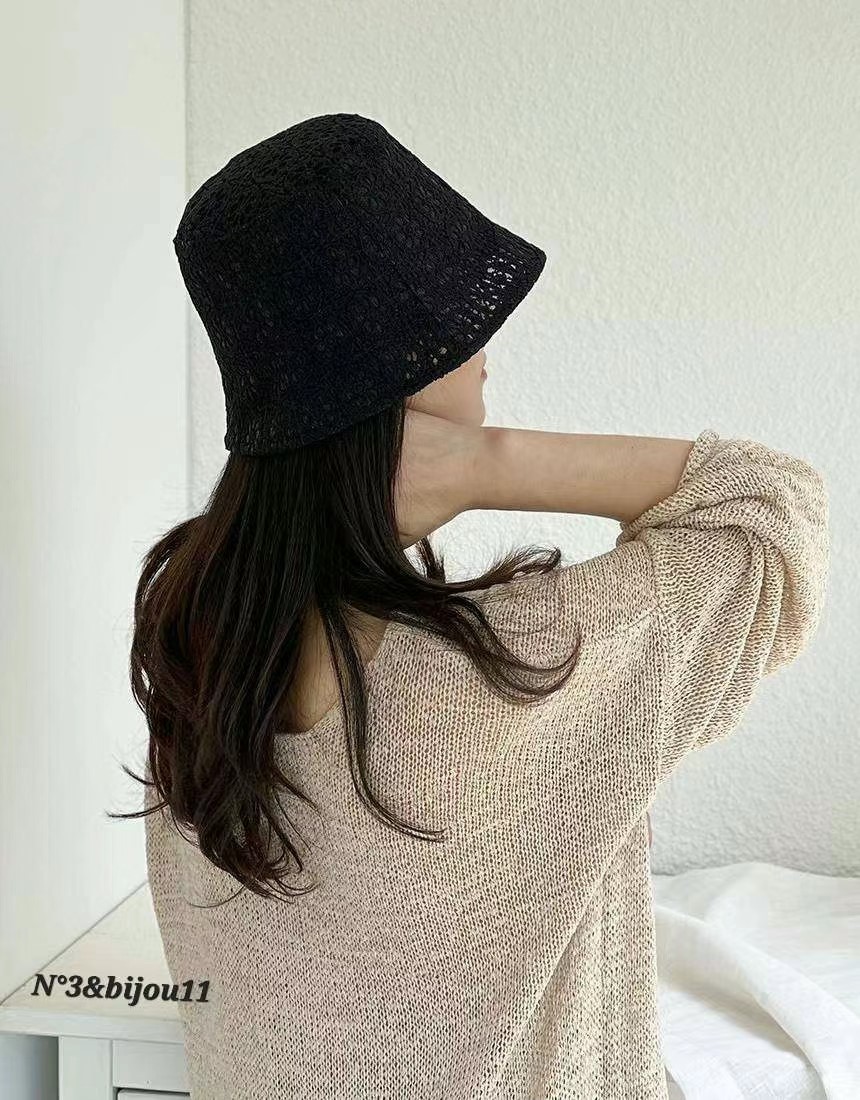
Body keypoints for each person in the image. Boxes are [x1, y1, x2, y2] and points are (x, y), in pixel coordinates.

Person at [122, 115, 830, 1099]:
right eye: (453, 331)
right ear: (400, 382)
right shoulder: (514, 672)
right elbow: (772, 509)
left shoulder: (199, 645)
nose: (485, 351)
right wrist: (490, 461)